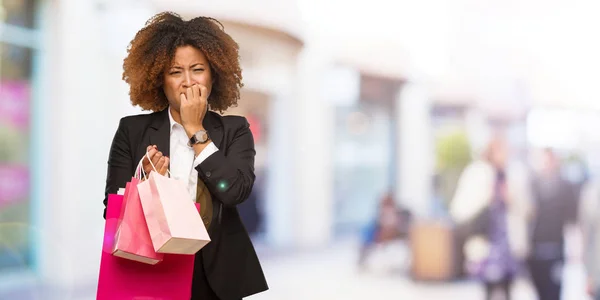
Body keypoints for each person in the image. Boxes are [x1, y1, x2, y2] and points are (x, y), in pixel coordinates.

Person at [102, 12, 268, 300]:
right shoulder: (132, 130)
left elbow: (235, 192)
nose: (188, 82)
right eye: (176, 71)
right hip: (152, 268)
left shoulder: (235, 130)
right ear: (159, 79)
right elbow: (111, 210)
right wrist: (146, 185)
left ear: (214, 74)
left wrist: (195, 130)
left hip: (215, 276)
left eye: (198, 69)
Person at [450, 136, 531, 300]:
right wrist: (487, 196)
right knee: (488, 288)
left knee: (508, 288)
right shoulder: (477, 173)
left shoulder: (514, 174)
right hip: (486, 241)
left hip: (508, 243)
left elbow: (528, 210)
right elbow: (460, 208)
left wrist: (511, 198)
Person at [527, 149, 579, 300]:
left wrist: (575, 249)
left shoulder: (565, 186)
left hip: (556, 248)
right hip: (535, 249)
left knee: (554, 292)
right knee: (539, 292)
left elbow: (572, 220)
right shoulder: (532, 185)